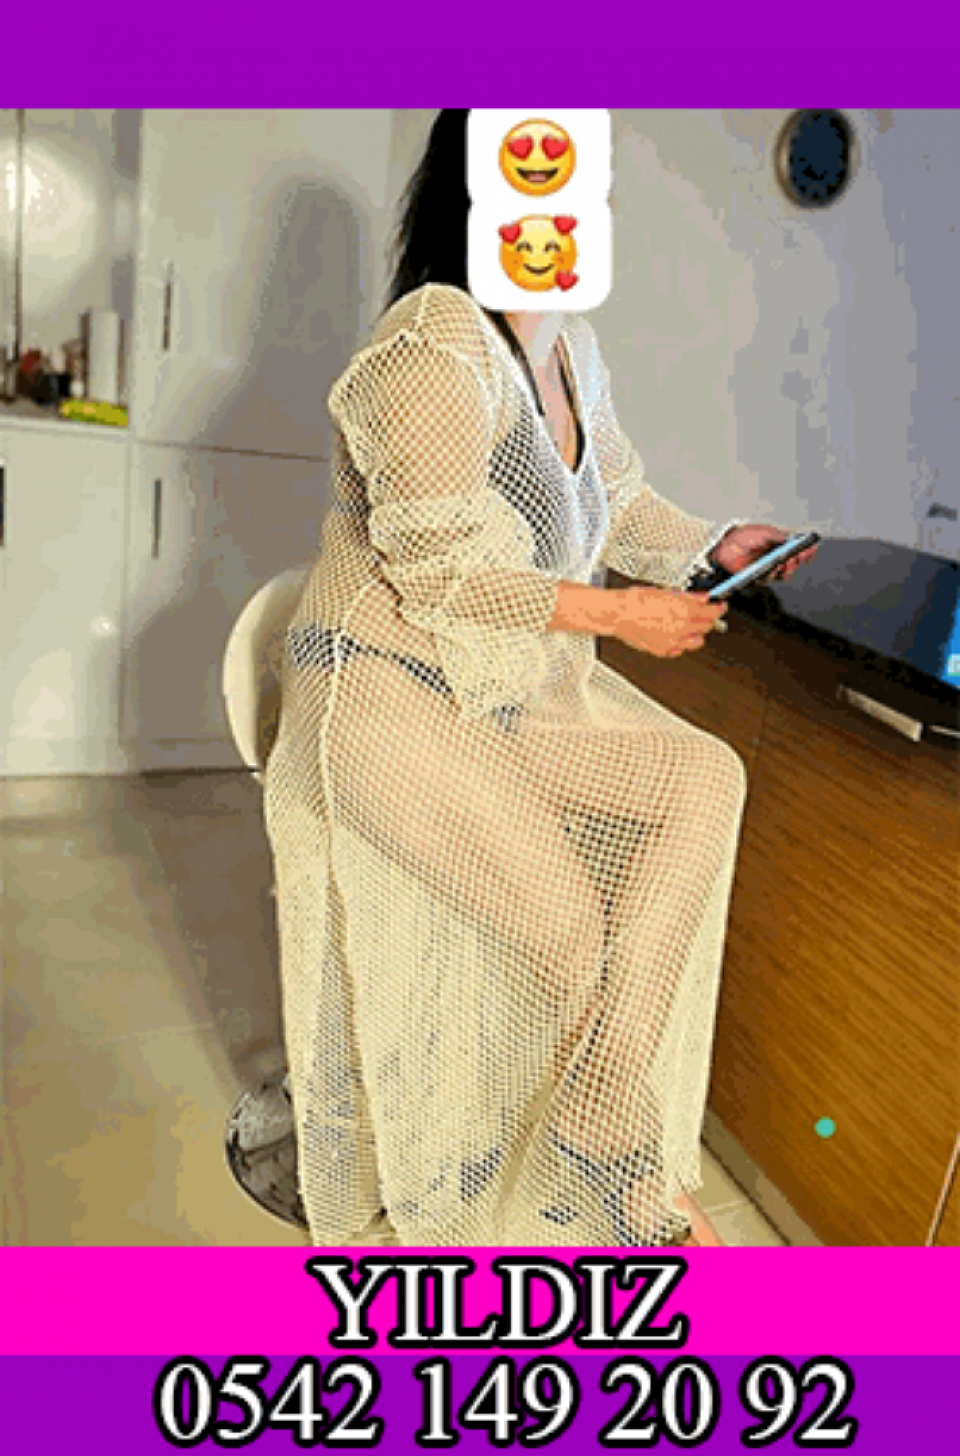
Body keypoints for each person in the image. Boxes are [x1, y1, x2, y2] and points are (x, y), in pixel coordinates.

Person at [263, 110, 818, 1248]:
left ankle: (591, 1118)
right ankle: (615, 1157)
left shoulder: (570, 353)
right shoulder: (434, 340)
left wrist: (714, 543)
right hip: (378, 691)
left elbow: (619, 502)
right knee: (566, 928)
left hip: (489, 690)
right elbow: (439, 570)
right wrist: (615, 614)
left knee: (703, 779)